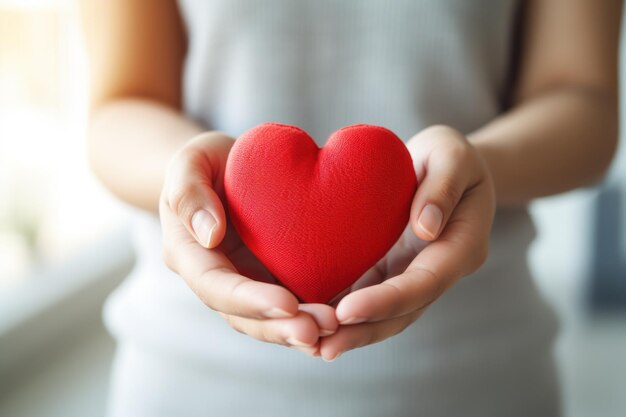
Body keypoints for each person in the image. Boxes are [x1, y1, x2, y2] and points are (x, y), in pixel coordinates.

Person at [81, 1, 621, 416]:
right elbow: (122, 106)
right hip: (188, 378)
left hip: (479, 377)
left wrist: (474, 168)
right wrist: (187, 177)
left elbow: (581, 98)